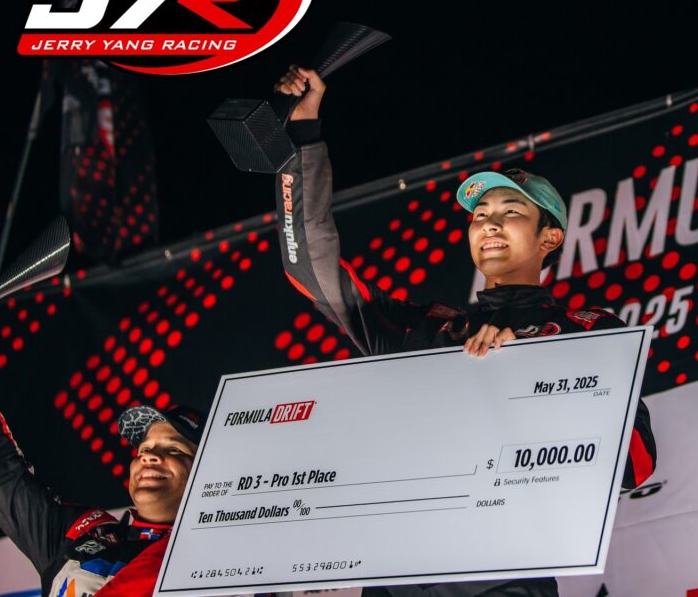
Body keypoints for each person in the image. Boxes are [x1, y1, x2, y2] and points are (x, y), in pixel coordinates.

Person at [273, 66, 657, 597]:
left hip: (503, 583)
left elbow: (636, 464)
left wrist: (531, 372)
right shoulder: (423, 328)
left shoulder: (586, 331)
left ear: (549, 238)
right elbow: (310, 266)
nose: (489, 222)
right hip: (394, 581)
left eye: (511, 211)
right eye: (480, 214)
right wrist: (303, 135)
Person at [0, 372, 205, 597]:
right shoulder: (84, 531)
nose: (148, 457)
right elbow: (3, 477)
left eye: (174, 450)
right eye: (144, 449)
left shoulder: (212, 558)